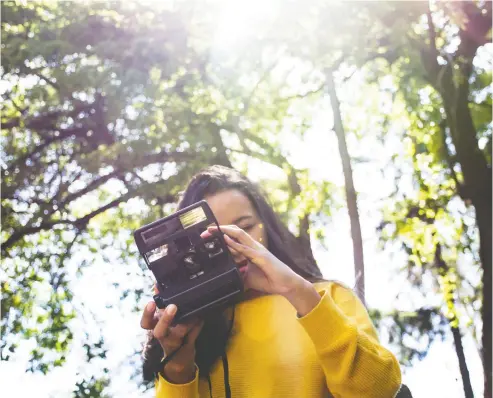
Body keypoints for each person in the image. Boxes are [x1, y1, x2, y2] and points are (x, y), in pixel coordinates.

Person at [140, 165, 402, 398]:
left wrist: (298, 291)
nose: (231, 244)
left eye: (244, 227)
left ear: (267, 228)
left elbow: (380, 390)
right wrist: (177, 365)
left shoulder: (326, 296)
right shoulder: (188, 330)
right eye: (211, 238)